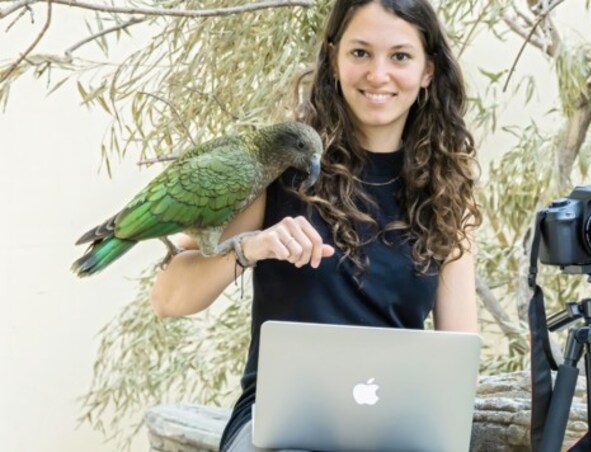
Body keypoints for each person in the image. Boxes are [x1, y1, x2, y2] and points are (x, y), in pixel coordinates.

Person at [149, 0, 482, 450]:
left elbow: (457, 361)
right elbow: (168, 298)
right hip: (280, 430)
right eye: (360, 53)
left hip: (394, 433)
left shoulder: (447, 195)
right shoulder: (278, 167)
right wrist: (251, 249)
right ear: (333, 59)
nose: (378, 75)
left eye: (400, 56)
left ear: (427, 71)